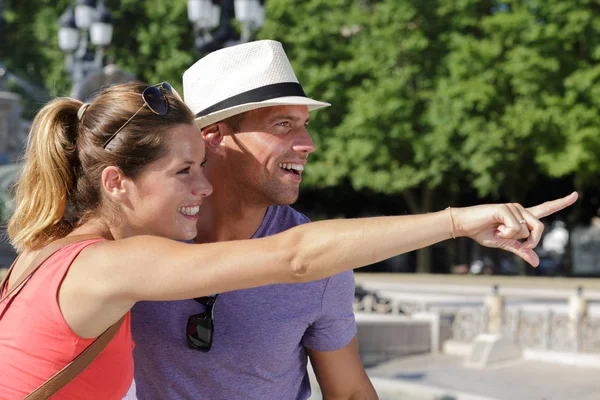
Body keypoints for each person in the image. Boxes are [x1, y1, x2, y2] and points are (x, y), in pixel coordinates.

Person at [125, 40, 577, 400]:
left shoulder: (325, 261)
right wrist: (457, 221)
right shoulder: (134, 238)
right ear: (214, 136)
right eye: (284, 124)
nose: (308, 143)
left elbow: (349, 392)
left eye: (304, 124)